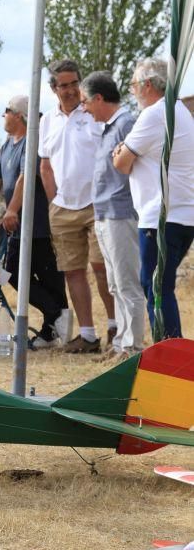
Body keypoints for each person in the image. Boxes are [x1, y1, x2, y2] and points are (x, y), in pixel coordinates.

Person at [0, 95, 69, 348]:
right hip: (18, 228)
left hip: (38, 226)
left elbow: (25, 178)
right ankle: (56, 317)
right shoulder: (7, 146)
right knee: (11, 274)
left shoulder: (32, 142)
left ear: (18, 114)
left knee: (45, 276)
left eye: (6, 111)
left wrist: (12, 209)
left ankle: (55, 322)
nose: (3, 116)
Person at [113, 58, 194, 339]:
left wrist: (120, 153)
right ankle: (170, 351)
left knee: (156, 287)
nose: (133, 90)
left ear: (148, 85)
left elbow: (122, 163)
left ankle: (170, 355)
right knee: (160, 286)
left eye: (134, 84)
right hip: (182, 215)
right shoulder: (179, 111)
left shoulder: (154, 114)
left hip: (160, 216)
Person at [39, 59, 115, 353]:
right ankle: (87, 335)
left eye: (74, 84)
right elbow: (45, 166)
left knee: (101, 267)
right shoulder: (47, 121)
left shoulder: (94, 113)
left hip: (98, 203)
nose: (70, 90)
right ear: (53, 88)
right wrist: (54, 200)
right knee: (72, 271)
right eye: (63, 85)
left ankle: (114, 328)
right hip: (63, 207)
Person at [79, 71, 146, 360]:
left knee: (127, 280)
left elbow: (135, 164)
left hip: (121, 212)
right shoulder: (111, 126)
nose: (83, 108)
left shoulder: (126, 123)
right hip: (106, 213)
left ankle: (132, 348)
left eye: (85, 101)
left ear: (98, 98)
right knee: (115, 282)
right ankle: (120, 343)